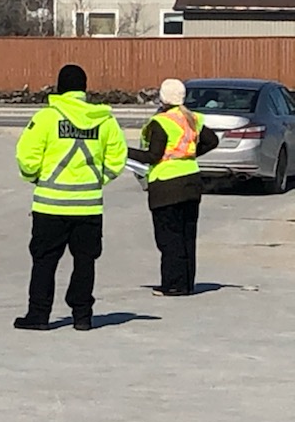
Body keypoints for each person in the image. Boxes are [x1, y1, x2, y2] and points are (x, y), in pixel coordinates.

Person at [13, 64, 128, 331]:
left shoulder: (46, 118)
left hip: (50, 204)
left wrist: (36, 178)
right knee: (85, 261)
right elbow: (117, 159)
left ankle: (39, 315)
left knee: (44, 261)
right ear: (84, 89)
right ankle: (82, 316)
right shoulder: (105, 120)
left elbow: (26, 156)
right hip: (88, 205)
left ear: (59, 87)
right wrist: (98, 180)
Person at [128, 78, 218, 297]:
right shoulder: (192, 118)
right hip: (191, 182)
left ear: (162, 97)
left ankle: (172, 284)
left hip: (167, 186)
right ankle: (187, 283)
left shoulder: (161, 122)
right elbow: (212, 140)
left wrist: (124, 151)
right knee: (187, 235)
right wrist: (190, 154)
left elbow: (153, 156)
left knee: (169, 238)